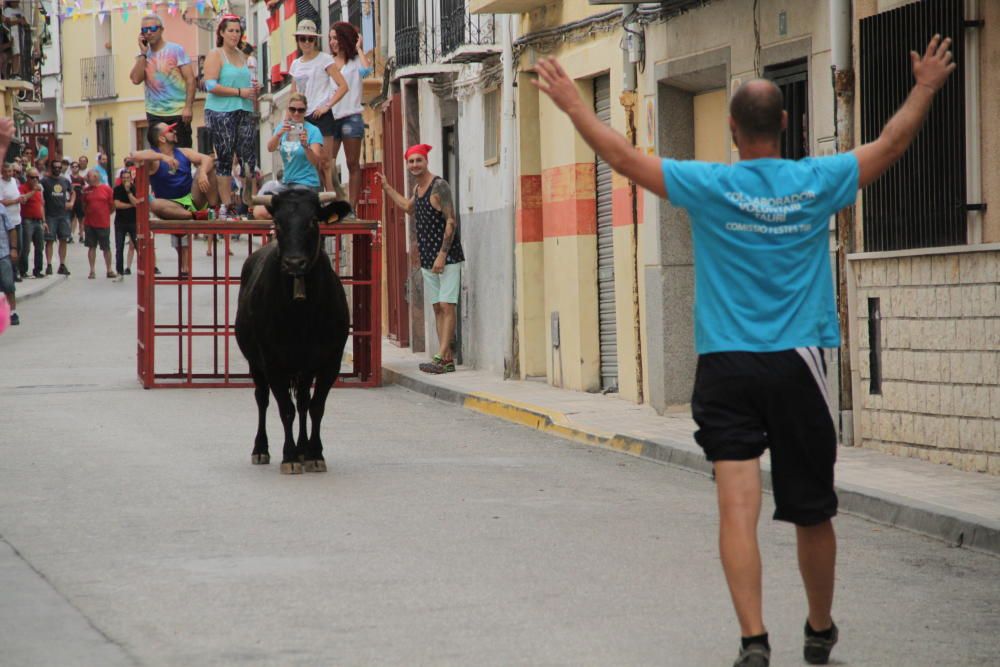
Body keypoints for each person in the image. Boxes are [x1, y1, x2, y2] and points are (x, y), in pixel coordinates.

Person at [532, 34, 956, 667]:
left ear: (732, 131)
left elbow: (621, 157)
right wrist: (923, 86)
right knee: (812, 510)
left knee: (736, 506)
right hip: (800, 364)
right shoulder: (818, 180)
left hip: (726, 365)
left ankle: (754, 641)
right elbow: (892, 144)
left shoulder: (709, 185)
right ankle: (818, 629)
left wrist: (573, 104)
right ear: (785, 123)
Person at [377, 144, 464, 374]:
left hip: (446, 257)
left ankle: (441, 357)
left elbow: (451, 221)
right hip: (427, 258)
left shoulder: (439, 186)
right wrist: (386, 187)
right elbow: (408, 207)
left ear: (426, 161)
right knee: (437, 307)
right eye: (411, 161)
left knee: (447, 305)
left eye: (418, 160)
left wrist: (443, 255)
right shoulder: (418, 189)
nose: (415, 165)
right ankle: (445, 359)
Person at [129, 122, 219, 275]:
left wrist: (202, 171)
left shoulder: (183, 152)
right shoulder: (154, 159)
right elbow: (134, 155)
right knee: (155, 204)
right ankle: (195, 216)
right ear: (162, 139)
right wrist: (163, 156)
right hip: (171, 206)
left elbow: (208, 159)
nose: (175, 131)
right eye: (170, 130)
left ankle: (213, 209)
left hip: (192, 199)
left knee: (208, 168)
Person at [288, 19, 348, 193]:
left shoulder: (325, 59)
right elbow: (293, 94)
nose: (306, 42)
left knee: (325, 162)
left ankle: (330, 201)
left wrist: (327, 106)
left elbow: (343, 86)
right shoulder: (295, 64)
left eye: (310, 39)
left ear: (315, 40)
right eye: (302, 38)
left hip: (321, 116)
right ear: (298, 40)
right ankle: (312, 201)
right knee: (304, 161)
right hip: (301, 117)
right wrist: (288, 119)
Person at [130, 13, 196, 149]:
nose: (149, 32)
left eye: (153, 28)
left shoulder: (176, 50)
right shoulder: (142, 56)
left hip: (178, 112)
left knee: (182, 154)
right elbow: (136, 79)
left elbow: (190, 79)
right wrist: (143, 53)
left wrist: (188, 107)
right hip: (155, 114)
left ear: (161, 30)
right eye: (144, 30)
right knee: (159, 157)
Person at [328, 22, 370, 210]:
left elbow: (366, 69)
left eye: (335, 38)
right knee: (327, 162)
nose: (332, 42)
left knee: (352, 163)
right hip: (330, 117)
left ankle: (351, 208)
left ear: (344, 39)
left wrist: (359, 48)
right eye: (330, 38)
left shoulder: (355, 64)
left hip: (351, 116)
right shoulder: (327, 63)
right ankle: (333, 200)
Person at [267, 92, 324, 190]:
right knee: (267, 192)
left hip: (307, 181)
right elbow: (270, 148)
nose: (296, 113)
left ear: (305, 111)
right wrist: (278, 135)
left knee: (294, 196)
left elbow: (316, 161)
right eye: (292, 109)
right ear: (288, 110)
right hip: (287, 181)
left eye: (300, 110)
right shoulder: (282, 127)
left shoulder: (313, 130)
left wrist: (306, 146)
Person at [41, 158, 74, 276]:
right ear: (51, 168)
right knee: (49, 240)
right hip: (50, 215)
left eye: (59, 168)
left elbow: (72, 192)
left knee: (63, 239)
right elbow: (40, 197)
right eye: (55, 167)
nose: (57, 169)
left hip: (63, 215)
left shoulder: (65, 181)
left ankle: (62, 264)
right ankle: (49, 265)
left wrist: (71, 202)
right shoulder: (44, 181)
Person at [80, 170, 116, 279]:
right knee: (91, 247)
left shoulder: (107, 189)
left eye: (88, 176)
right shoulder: (86, 190)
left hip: (103, 223)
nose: (87, 178)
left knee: (106, 247)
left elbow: (112, 205)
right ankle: (92, 270)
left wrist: (105, 214)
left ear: (95, 177)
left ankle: (109, 269)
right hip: (89, 223)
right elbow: (83, 205)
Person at [0, 161, 25, 283]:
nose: (8, 174)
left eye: (10, 171)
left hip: (17, 219)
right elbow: (2, 202)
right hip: (6, 220)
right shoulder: (0, 183)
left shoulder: (15, 182)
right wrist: (16, 201)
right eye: (6, 171)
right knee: (7, 249)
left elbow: (18, 195)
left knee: (18, 247)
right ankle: (10, 273)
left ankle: (16, 270)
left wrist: (21, 199)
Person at [18, 167, 45, 279]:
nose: (35, 180)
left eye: (37, 177)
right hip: (27, 220)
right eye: (32, 177)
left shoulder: (39, 190)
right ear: (27, 178)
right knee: (26, 247)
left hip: (38, 220)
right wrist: (33, 190)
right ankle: (23, 270)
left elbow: (41, 205)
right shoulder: (22, 188)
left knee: (40, 246)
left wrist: (44, 221)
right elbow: (23, 199)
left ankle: (37, 270)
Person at [113, 169, 140, 277]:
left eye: (127, 178)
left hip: (133, 222)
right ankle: (119, 272)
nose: (125, 180)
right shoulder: (117, 189)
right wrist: (130, 205)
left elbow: (137, 203)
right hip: (120, 222)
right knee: (119, 248)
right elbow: (117, 205)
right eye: (123, 178)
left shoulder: (135, 188)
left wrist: (128, 192)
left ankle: (143, 269)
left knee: (138, 246)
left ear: (131, 178)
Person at [0, 206, 17, 325]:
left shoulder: (1, 208)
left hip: (3, 253)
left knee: (8, 285)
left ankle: (12, 312)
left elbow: (11, 229)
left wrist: (14, 248)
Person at [68, 160, 86, 243]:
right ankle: (70, 235)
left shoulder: (81, 179)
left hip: (79, 200)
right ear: (71, 168)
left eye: (76, 167)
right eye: (73, 167)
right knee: (71, 218)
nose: (75, 168)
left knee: (81, 219)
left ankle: (81, 236)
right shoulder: (69, 178)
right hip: (72, 200)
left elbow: (83, 189)